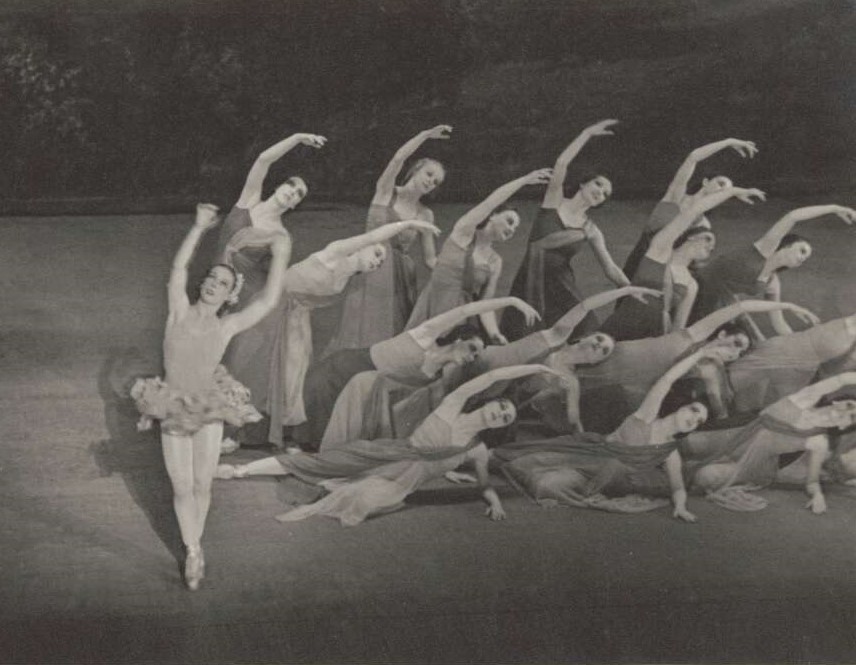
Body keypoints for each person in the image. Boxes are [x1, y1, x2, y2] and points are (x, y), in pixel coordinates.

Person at [130, 204, 290, 590]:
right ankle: (194, 549)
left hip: (209, 405)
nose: (211, 284)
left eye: (221, 282)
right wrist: (199, 227)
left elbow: (268, 301)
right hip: (172, 403)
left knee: (203, 484)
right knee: (181, 485)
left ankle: (193, 548)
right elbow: (178, 271)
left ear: (230, 295)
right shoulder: (178, 312)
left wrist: (282, 254)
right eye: (210, 278)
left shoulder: (228, 325)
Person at [215, 365, 559, 526]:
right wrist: (534, 367)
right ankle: (240, 470)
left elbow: (484, 484)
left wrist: (493, 500)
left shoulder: (477, 449)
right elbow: (489, 378)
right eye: (500, 408)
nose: (498, 415)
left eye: (505, 419)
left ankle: (342, 486)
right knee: (323, 462)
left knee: (361, 503)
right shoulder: (453, 404)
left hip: (400, 482)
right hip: (387, 453)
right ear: (488, 404)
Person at [319, 286, 659, 449]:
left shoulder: (569, 382)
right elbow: (584, 305)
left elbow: (573, 423)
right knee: (406, 389)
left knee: (430, 412)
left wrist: (591, 441)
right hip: (471, 367)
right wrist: (627, 289)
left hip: (485, 390)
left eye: (602, 351)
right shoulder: (553, 337)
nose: (596, 347)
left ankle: (379, 440)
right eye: (599, 340)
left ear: (598, 360)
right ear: (586, 337)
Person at [230, 218, 441, 447]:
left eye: (381, 263)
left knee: (291, 379)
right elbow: (374, 236)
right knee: (258, 368)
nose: (378, 262)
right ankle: (236, 430)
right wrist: (410, 223)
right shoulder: (333, 254)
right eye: (377, 254)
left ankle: (269, 433)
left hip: (296, 319)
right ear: (361, 246)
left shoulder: (345, 279)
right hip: (272, 312)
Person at [494, 345, 728, 520]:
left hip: (597, 480)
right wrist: (700, 353)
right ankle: (477, 463)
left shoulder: (670, 453)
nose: (693, 419)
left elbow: (677, 486)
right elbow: (667, 379)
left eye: (699, 421)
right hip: (587, 453)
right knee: (523, 461)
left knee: (545, 485)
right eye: (694, 410)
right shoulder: (647, 415)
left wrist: (681, 507)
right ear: (681, 406)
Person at [292, 296, 540, 448]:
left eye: (477, 355)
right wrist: (511, 302)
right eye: (472, 347)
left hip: (363, 388)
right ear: (458, 338)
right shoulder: (425, 336)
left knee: (330, 440)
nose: (472, 356)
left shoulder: (442, 373)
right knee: (302, 427)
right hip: (342, 368)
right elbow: (466, 310)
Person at [214, 133, 325, 449]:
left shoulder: (281, 236)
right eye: (291, 187)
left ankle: (230, 431)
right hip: (213, 285)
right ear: (280, 186)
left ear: (297, 204)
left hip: (244, 299)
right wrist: (299, 138)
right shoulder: (248, 201)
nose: (292, 194)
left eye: (298, 195)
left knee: (234, 362)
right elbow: (264, 159)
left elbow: (275, 281)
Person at [576, 299, 819, 433]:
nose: (733, 352)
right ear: (721, 333)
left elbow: (720, 407)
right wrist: (787, 307)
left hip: (641, 405)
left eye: (739, 351)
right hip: (618, 374)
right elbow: (739, 308)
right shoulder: (693, 338)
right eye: (734, 343)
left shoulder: (717, 370)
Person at [323, 125, 451, 355]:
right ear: (416, 169)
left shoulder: (425, 214)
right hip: (372, 269)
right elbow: (397, 159)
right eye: (429, 174)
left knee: (393, 337)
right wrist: (424, 135)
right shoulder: (386, 192)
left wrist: (455, 269)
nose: (431, 182)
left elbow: (431, 260)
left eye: (436, 182)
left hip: (402, 279)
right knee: (363, 330)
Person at [502, 119, 629, 341]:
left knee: (587, 333)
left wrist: (631, 289)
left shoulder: (591, 230)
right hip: (529, 282)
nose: (600, 192)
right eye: (598, 185)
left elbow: (610, 268)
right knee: (520, 338)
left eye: (606, 193)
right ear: (583, 183)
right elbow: (561, 163)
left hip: (562, 288)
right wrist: (586, 133)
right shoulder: (553, 202)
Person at [600, 185, 765, 341]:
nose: (711, 246)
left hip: (653, 336)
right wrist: (732, 191)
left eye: (713, 246)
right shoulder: (659, 251)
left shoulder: (691, 284)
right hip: (623, 323)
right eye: (708, 238)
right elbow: (695, 210)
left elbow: (678, 329)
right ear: (691, 236)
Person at [404, 168, 552, 342]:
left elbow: (485, 305)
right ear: (492, 215)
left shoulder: (495, 261)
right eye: (509, 221)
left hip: (464, 321)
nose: (511, 229)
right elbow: (491, 201)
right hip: (433, 307)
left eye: (515, 228)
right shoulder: (463, 232)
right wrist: (524, 180)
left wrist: (495, 334)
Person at [688, 372, 856, 514]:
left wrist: (817, 496)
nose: (845, 412)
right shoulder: (804, 400)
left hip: (752, 465)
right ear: (838, 401)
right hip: (734, 437)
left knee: (703, 476)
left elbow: (812, 481)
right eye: (849, 405)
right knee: (686, 444)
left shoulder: (819, 441)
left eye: (852, 416)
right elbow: (841, 379)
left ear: (844, 426)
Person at [689, 204, 856, 337]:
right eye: (802, 251)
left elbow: (779, 323)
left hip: (715, 305)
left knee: (750, 338)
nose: (803, 258)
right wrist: (835, 208)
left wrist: (802, 342)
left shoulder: (773, 283)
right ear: (786, 245)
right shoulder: (764, 248)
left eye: (805, 258)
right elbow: (793, 216)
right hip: (695, 286)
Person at [622, 138, 758, 280]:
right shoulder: (676, 196)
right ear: (706, 182)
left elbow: (689, 260)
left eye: (727, 191)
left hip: (659, 273)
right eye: (721, 183)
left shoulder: (703, 225)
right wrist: (728, 142)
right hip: (636, 261)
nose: (722, 190)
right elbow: (693, 157)